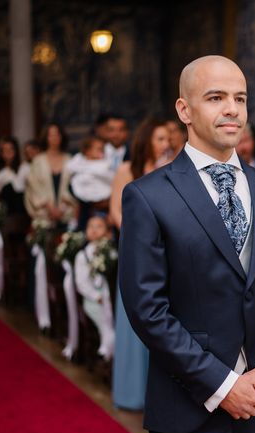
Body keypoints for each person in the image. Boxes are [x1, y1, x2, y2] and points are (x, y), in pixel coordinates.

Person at [118, 55, 255, 433]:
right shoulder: (148, 196)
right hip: (188, 407)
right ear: (184, 110)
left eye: (240, 98)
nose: (232, 109)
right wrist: (224, 386)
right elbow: (147, 309)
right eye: (216, 97)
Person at [110, 118, 170, 411]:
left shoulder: (170, 171)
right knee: (135, 316)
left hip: (166, 253)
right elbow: (114, 211)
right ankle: (131, 392)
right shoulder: (126, 170)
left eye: (166, 139)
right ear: (146, 139)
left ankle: (159, 391)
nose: (165, 144)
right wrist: (141, 238)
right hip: (135, 251)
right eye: (160, 138)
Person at [74, 214, 115, 359]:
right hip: (93, 300)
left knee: (112, 317)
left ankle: (108, 348)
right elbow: (81, 283)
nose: (94, 230)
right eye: (90, 226)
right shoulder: (83, 255)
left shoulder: (110, 252)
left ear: (108, 232)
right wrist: (96, 296)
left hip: (110, 297)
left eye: (99, 226)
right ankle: (108, 349)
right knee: (105, 323)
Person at [24, 123, 77, 227]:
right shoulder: (38, 161)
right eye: (51, 135)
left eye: (57, 134)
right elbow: (34, 186)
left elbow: (74, 186)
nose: (54, 138)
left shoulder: (70, 160)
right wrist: (49, 207)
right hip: (44, 216)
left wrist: (62, 209)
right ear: (46, 137)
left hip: (66, 215)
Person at [67, 136, 114, 231]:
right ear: (87, 151)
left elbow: (110, 178)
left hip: (104, 209)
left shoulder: (106, 165)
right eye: (98, 149)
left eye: (103, 149)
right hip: (84, 209)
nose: (102, 151)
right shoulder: (78, 165)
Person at [0, 136, 30, 215]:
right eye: (5, 149)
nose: (8, 152)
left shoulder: (24, 167)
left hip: (21, 207)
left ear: (15, 150)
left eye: (11, 149)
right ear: (1, 152)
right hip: (4, 208)